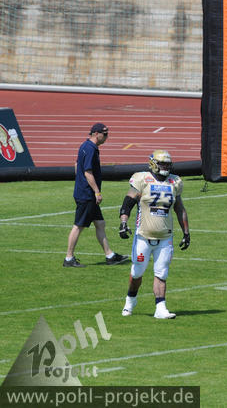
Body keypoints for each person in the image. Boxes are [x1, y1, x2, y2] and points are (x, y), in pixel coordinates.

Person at [118, 150, 189, 319]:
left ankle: (160, 308)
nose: (166, 167)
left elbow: (179, 208)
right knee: (137, 273)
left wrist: (186, 232)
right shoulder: (142, 179)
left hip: (165, 237)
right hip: (143, 236)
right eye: (162, 164)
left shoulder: (175, 181)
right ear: (153, 164)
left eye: (167, 164)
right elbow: (128, 202)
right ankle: (130, 300)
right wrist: (123, 222)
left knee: (161, 273)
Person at [63, 122, 128, 268]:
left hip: (85, 192)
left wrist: (80, 181)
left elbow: (77, 165)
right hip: (87, 195)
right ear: (96, 134)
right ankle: (68, 258)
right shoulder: (90, 149)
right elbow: (88, 172)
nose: (106, 137)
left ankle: (110, 255)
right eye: (105, 134)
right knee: (78, 226)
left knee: (100, 223)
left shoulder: (86, 146)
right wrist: (96, 191)